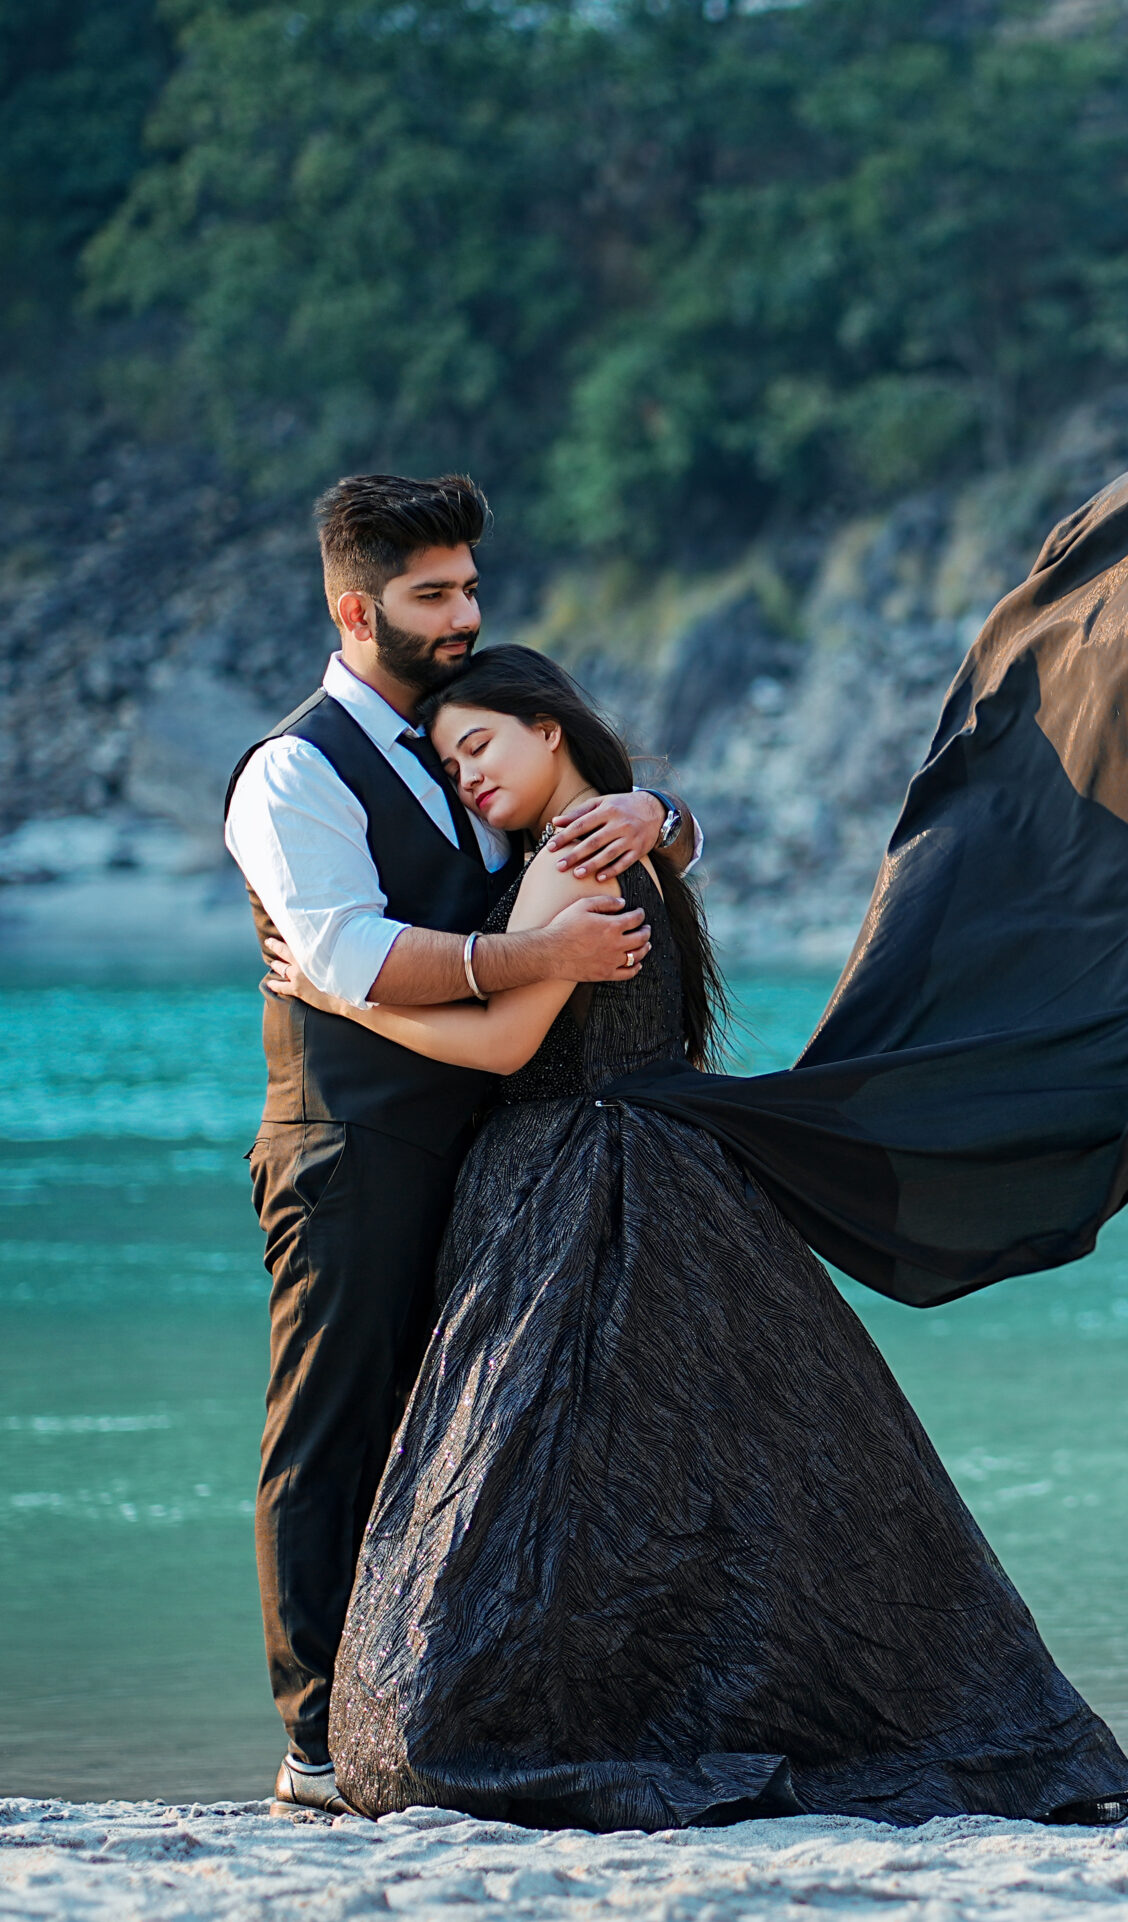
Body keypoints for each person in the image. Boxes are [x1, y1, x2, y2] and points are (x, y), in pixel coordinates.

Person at [264, 645, 1128, 1830]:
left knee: (543, 1480)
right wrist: (664, 812)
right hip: (663, 1172)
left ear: (549, 729)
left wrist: (338, 997)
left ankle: (560, 1719)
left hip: (579, 1181)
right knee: (688, 1472)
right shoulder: (627, 844)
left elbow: (506, 1045)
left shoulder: (568, 858)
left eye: (481, 746)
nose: (469, 777)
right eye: (453, 762)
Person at [222, 475, 703, 1818]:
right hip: (352, 1148)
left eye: (470, 589)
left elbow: (577, 808)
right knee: (334, 1430)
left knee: (462, 1440)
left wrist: (662, 812)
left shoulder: (459, 740)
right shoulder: (292, 771)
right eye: (432, 594)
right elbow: (352, 958)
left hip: (495, 1160)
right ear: (354, 609)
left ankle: (430, 1708)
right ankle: (317, 1741)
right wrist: (539, 956)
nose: (463, 615)